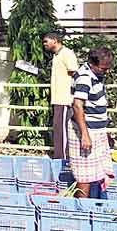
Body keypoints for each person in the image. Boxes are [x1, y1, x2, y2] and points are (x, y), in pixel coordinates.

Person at [68, 47, 115, 199]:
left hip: (96, 129)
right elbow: (77, 105)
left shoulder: (96, 74)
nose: (106, 71)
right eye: (103, 68)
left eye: (108, 68)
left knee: (96, 170)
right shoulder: (85, 77)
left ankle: (92, 203)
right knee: (85, 174)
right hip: (86, 131)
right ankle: (83, 208)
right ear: (92, 64)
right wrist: (85, 135)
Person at [43, 32, 78, 160]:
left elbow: (74, 73)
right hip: (57, 99)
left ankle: (62, 160)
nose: (45, 44)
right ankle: (59, 157)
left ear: (55, 40)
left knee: (62, 131)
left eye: (46, 41)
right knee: (58, 130)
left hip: (64, 99)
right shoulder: (56, 56)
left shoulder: (67, 53)